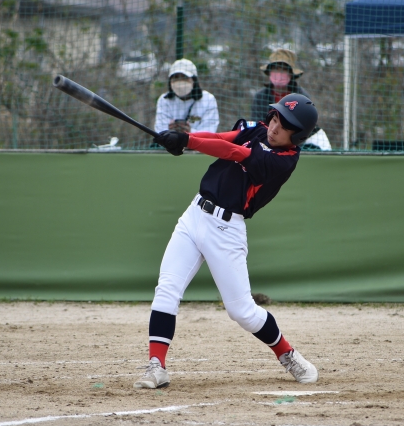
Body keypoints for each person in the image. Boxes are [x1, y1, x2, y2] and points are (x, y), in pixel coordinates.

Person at [134, 93, 319, 389]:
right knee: (167, 289)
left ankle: (287, 354)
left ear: (297, 136)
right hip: (194, 215)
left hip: (226, 229)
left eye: (284, 126)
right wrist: (184, 139)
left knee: (241, 311)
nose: (274, 127)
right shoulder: (258, 130)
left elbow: (234, 152)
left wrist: (187, 141)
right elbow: (222, 137)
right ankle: (157, 366)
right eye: (275, 118)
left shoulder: (284, 161)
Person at [153, 58, 219, 135]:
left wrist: (190, 132)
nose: (180, 81)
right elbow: (160, 130)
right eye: (176, 77)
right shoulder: (164, 100)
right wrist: (170, 131)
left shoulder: (208, 99)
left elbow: (209, 132)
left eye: (184, 77)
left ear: (194, 80)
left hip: (196, 142)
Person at [250, 49, 310, 123]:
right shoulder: (260, 97)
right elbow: (257, 124)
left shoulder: (302, 97)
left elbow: (307, 124)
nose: (279, 73)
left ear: (291, 73)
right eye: (275, 68)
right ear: (269, 72)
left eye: (284, 69)